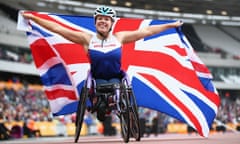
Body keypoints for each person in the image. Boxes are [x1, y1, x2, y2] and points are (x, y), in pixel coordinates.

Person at [22, 6, 183, 121]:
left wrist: (170, 25)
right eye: (100, 19)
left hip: (116, 78)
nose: (103, 22)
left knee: (118, 91)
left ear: (111, 23)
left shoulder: (119, 37)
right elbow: (58, 29)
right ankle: (99, 106)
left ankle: (119, 107)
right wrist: (34, 18)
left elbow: (146, 32)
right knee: (99, 105)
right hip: (96, 79)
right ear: (95, 22)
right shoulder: (87, 39)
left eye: (106, 19)